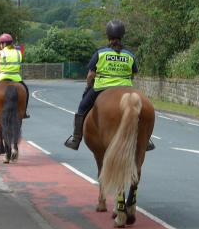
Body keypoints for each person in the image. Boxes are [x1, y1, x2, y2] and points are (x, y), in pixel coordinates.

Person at [64, 19, 155, 151]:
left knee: (82, 107)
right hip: (126, 88)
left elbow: (90, 75)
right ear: (122, 36)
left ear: (108, 36)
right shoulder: (130, 54)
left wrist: (88, 87)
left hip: (102, 87)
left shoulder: (100, 52)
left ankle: (76, 138)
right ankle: (146, 140)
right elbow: (133, 75)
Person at [0, 33, 30, 119]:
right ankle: (24, 112)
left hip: (2, 76)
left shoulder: (1, 53)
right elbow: (19, 64)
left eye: (1, 43)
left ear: (4, 44)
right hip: (16, 77)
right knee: (26, 91)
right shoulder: (18, 53)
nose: (0, 45)